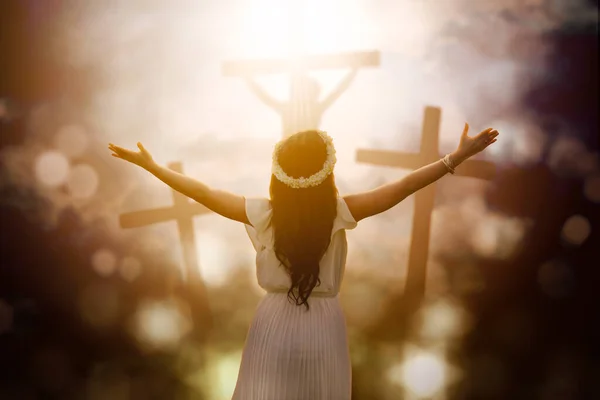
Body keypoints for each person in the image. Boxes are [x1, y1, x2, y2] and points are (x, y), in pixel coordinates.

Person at [108, 123, 499, 399]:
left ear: (279, 175)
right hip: (323, 326)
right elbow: (403, 186)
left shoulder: (263, 212)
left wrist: (153, 167)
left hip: (272, 322)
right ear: (326, 173)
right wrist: (456, 157)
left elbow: (204, 193)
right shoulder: (341, 211)